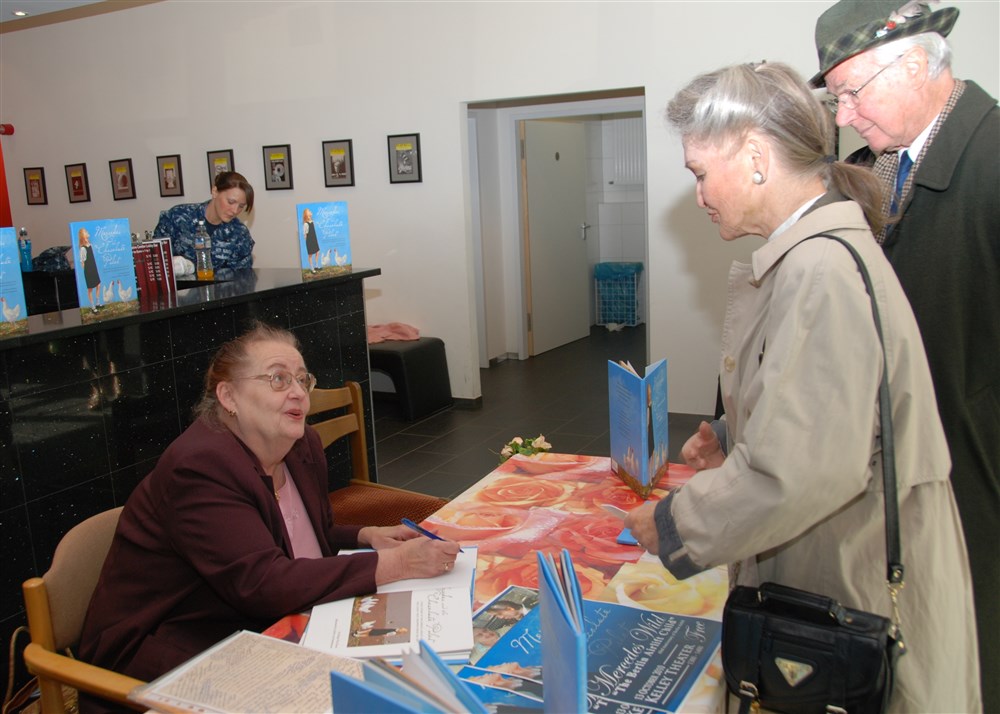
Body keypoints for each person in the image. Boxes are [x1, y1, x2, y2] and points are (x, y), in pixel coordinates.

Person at [623, 62, 979, 712]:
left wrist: (673, 523)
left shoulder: (819, 271)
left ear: (756, 157)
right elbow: (838, 404)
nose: (699, 196)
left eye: (701, 174)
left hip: (854, 583)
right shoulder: (817, 253)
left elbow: (796, 470)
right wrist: (735, 432)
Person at [78, 322, 459, 696]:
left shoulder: (301, 445)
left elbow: (305, 537)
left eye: (301, 379)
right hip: (165, 646)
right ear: (229, 398)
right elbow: (262, 582)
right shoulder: (200, 467)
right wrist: (399, 563)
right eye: (278, 379)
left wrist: (365, 536)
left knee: (411, 675)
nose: (297, 392)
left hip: (257, 621)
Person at [809, 2, 998, 702]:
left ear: (920, 63)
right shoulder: (874, 168)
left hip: (975, 478)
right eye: (836, 98)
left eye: (855, 91)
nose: (846, 115)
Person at [153, 171, 255, 273]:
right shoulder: (178, 217)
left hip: (220, 288)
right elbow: (155, 262)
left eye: (241, 206)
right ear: (215, 192)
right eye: (231, 202)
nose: (235, 210)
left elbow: (243, 280)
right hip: (179, 288)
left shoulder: (240, 234)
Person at [78, 228, 102, 313]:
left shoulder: (89, 244)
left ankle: (98, 302)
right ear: (82, 235)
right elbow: (82, 261)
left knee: (98, 284)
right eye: (85, 232)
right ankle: (92, 306)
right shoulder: (83, 248)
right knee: (90, 289)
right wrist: (86, 271)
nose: (87, 233)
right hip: (89, 269)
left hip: (93, 267)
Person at [302, 207, 320, 272]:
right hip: (310, 241)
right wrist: (308, 242)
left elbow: (313, 231)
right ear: (306, 214)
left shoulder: (312, 222)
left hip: (314, 239)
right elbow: (305, 234)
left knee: (318, 252)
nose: (310, 211)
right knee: (310, 255)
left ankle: (316, 265)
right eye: (309, 211)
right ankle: (312, 268)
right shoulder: (306, 224)